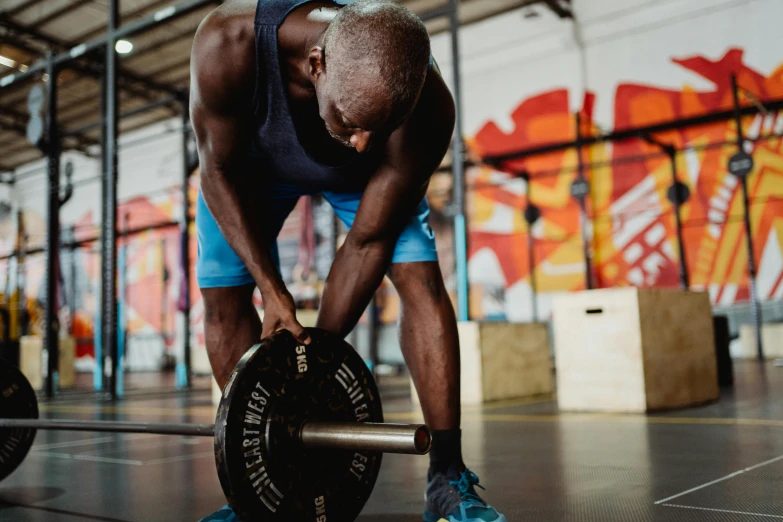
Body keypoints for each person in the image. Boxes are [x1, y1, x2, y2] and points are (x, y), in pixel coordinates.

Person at [190, 1, 506, 521]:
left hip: (368, 186)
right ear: (317, 64)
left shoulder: (429, 110)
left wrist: (315, 369)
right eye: (353, 121)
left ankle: (448, 476)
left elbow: (368, 242)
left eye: (379, 129)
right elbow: (216, 171)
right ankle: (258, 475)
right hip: (248, 169)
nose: (362, 143)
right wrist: (273, 292)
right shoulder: (227, 43)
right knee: (222, 290)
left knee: (420, 278)